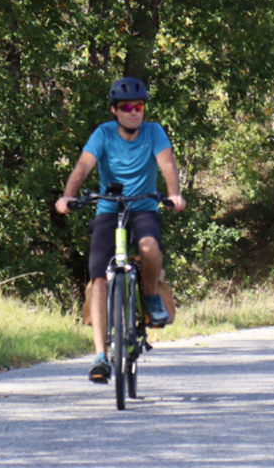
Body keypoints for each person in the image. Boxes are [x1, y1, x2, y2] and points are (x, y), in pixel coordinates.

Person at [55, 76, 186, 384]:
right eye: (126, 107)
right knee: (98, 279)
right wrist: (68, 195)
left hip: (143, 206)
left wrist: (173, 193)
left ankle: (151, 298)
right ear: (115, 110)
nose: (133, 112)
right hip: (108, 210)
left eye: (138, 106)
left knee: (149, 248)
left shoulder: (154, 132)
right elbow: (83, 167)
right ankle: (100, 356)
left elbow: (167, 165)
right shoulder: (103, 134)